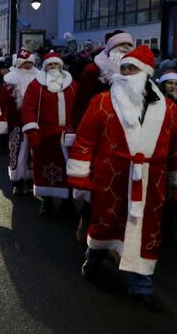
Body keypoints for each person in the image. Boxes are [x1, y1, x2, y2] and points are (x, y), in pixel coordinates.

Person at [67, 46, 177, 311]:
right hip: (111, 178)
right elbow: (86, 138)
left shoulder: (168, 109)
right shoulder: (102, 102)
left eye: (132, 69)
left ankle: (141, 286)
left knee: (145, 232)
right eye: (123, 69)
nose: (125, 74)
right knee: (106, 224)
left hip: (150, 182)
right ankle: (93, 259)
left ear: (146, 73)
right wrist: (79, 173)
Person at [70, 30, 134, 242]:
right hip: (100, 136)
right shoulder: (93, 70)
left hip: (128, 137)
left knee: (123, 188)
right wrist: (81, 135)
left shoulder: (137, 73)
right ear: (111, 49)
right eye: (120, 46)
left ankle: (118, 239)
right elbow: (80, 105)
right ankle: (85, 222)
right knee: (96, 185)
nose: (125, 50)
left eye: (128, 46)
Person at [21, 52, 78, 215]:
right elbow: (28, 109)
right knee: (44, 170)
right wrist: (32, 131)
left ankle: (68, 202)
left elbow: (80, 108)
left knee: (69, 170)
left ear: (60, 66)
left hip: (67, 137)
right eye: (50, 65)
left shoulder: (73, 85)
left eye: (56, 65)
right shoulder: (36, 86)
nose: (53, 68)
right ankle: (46, 202)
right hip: (45, 136)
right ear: (45, 68)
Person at [0, 49, 38, 195]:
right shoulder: (10, 81)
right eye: (24, 64)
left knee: (34, 153)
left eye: (30, 64)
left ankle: (32, 181)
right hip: (15, 123)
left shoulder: (39, 79)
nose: (27, 67)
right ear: (18, 65)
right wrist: (1, 123)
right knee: (16, 152)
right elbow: (2, 102)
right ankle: (17, 181)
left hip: (36, 124)